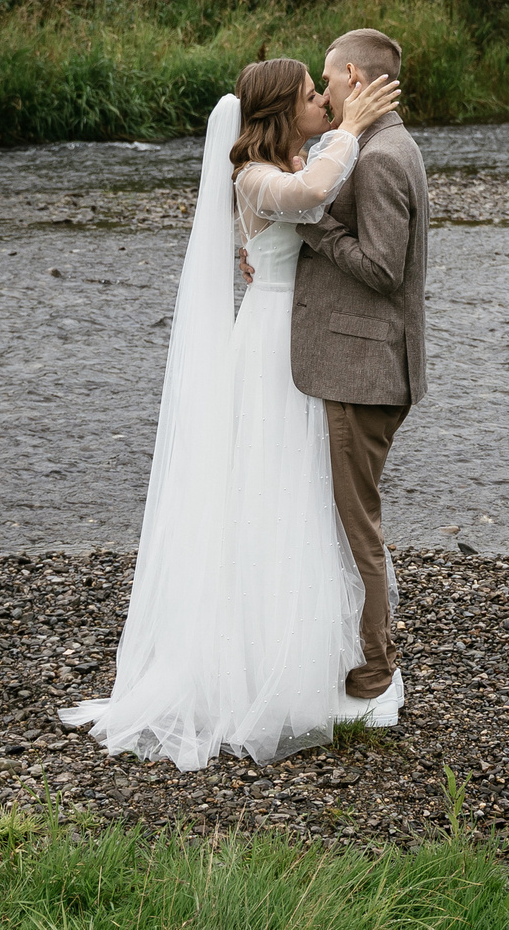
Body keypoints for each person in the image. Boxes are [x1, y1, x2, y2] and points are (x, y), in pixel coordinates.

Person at [60, 56, 402, 768]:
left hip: (297, 336)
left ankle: (305, 655)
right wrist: (359, 127)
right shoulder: (253, 174)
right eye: (314, 96)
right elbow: (306, 193)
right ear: (284, 109)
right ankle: (252, 668)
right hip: (272, 342)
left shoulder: (298, 153)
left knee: (302, 495)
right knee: (270, 492)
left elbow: (313, 200)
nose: (323, 103)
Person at [289, 28, 428, 709]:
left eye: (326, 75)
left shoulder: (380, 157)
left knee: (356, 521)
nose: (321, 86)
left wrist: (317, 227)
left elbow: (382, 268)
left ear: (349, 74)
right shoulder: (383, 144)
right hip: (363, 363)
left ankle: (377, 666)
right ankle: (357, 646)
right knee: (352, 514)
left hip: (362, 370)